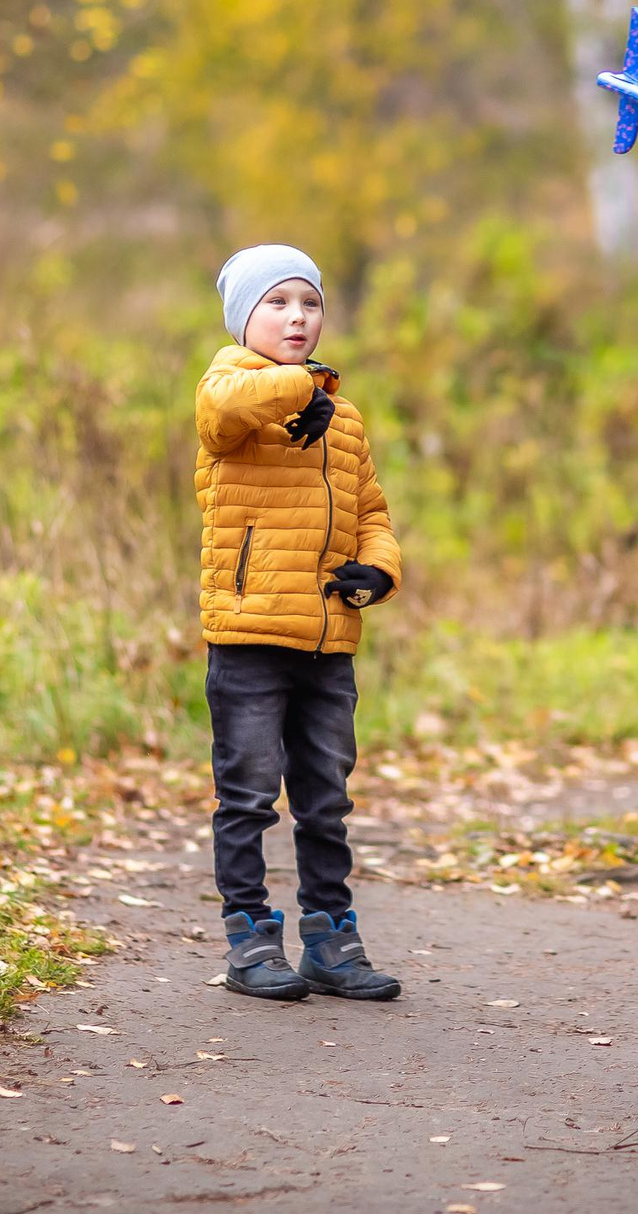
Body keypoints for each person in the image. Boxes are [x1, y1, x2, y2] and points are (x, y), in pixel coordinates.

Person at [194, 244, 404, 1002]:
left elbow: (371, 512)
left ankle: (330, 938)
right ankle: (250, 939)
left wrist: (379, 569)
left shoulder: (341, 418)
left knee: (325, 798)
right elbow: (225, 412)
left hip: (327, 641)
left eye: (309, 303)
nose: (297, 316)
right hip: (249, 636)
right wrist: (298, 387)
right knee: (247, 793)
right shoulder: (230, 390)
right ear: (244, 316)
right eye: (277, 302)